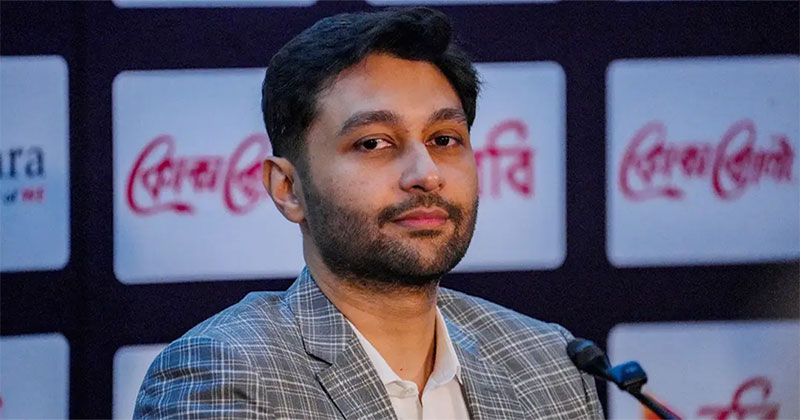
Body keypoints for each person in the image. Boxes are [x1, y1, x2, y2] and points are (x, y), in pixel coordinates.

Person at [134, 7, 603, 419]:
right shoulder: (225, 374)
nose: (426, 174)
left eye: (444, 140)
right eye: (374, 143)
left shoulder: (549, 363)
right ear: (288, 189)